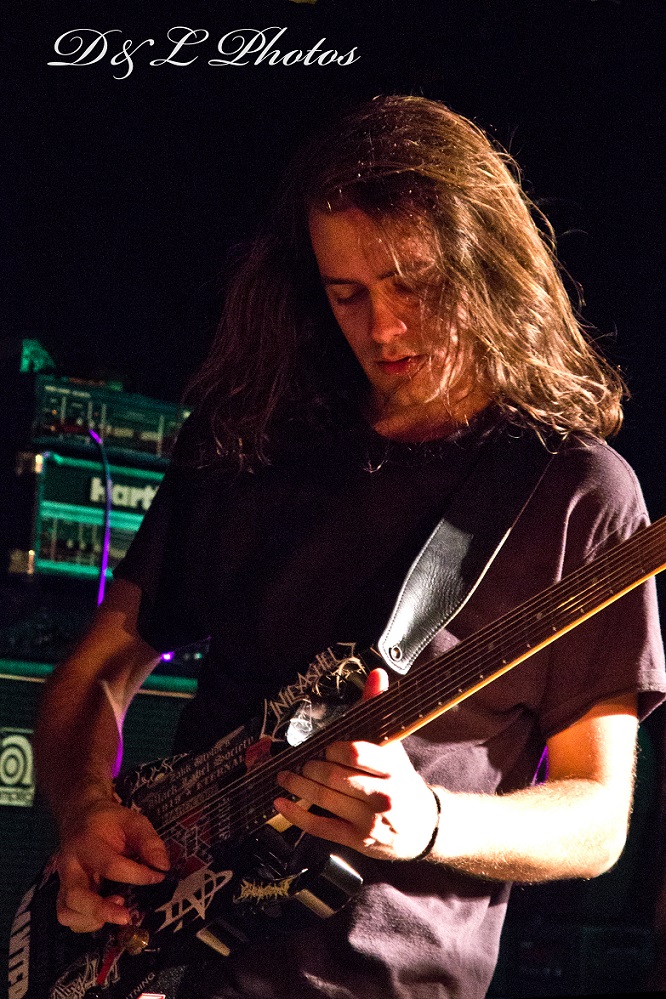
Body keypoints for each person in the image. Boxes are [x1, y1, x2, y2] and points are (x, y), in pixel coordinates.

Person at [33, 96, 665, 999]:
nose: (384, 327)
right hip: (164, 970)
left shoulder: (576, 493)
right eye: (348, 294)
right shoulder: (254, 436)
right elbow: (98, 667)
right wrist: (87, 808)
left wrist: (430, 820)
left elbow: (596, 818)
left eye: (414, 284)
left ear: (484, 266)